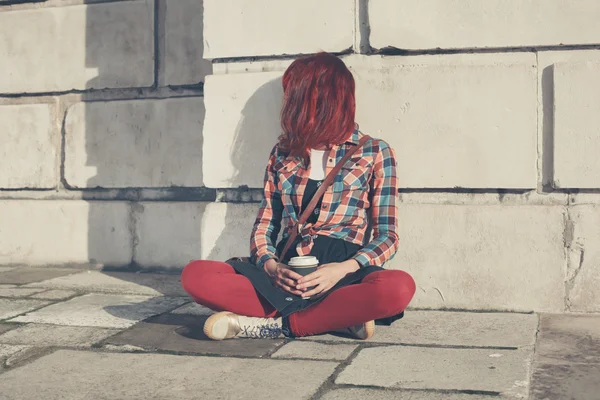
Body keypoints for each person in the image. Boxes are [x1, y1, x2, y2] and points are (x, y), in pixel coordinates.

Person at [181, 52, 416, 341]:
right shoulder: (282, 153)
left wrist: (342, 270)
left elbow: (388, 236)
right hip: (286, 272)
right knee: (196, 275)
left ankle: (276, 325)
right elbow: (265, 225)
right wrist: (271, 266)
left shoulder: (375, 152)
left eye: (293, 95)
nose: (287, 103)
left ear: (318, 99)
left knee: (398, 287)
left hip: (342, 273)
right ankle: (333, 319)